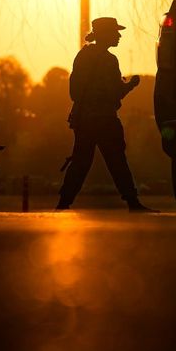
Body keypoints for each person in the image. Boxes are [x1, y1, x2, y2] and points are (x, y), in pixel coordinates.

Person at [56, 17, 158, 212]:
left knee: (80, 162)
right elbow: (114, 92)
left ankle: (63, 202)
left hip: (84, 120)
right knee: (117, 161)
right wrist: (131, 86)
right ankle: (133, 202)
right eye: (115, 32)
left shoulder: (83, 56)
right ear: (105, 34)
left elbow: (74, 91)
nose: (119, 36)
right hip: (105, 119)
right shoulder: (109, 60)